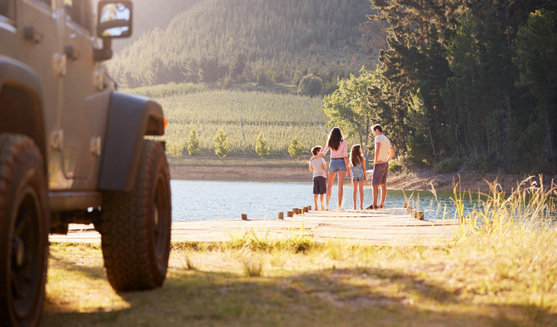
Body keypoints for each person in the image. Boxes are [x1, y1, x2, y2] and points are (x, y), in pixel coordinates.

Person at [310, 127, 350, 210]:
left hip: (333, 163)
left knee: (329, 186)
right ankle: (339, 206)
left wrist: (314, 157)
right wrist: (347, 167)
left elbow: (323, 153)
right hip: (341, 162)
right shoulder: (344, 142)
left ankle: (327, 206)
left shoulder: (330, 142)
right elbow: (345, 156)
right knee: (340, 186)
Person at [366, 124, 395, 209]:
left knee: (375, 184)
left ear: (377, 130)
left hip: (379, 163)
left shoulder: (378, 138)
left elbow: (377, 149)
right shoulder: (386, 138)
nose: (373, 134)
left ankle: (374, 205)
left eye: (373, 132)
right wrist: (386, 160)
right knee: (382, 184)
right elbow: (392, 153)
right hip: (385, 163)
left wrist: (375, 161)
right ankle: (381, 204)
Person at [309, 146, 328, 210]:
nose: (321, 152)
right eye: (320, 151)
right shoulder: (321, 159)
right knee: (322, 193)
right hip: (322, 176)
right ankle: (322, 207)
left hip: (315, 176)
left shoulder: (311, 160)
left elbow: (311, 169)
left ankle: (316, 207)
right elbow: (325, 168)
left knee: (315, 192)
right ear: (317, 152)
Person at [349, 144, 366, 210]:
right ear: (358, 150)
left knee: (354, 191)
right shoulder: (362, 158)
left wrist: (351, 177)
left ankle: (354, 206)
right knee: (361, 191)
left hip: (354, 176)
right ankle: (361, 206)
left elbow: (350, 169)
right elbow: (364, 168)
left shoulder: (351, 158)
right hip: (361, 175)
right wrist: (365, 177)